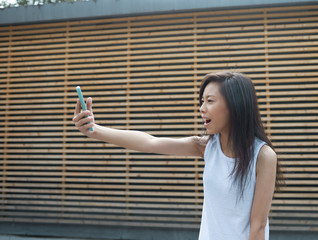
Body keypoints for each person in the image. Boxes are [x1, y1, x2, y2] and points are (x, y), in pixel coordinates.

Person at [73, 71, 281, 240]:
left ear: (235, 106)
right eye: (202, 101)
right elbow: (150, 142)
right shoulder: (206, 147)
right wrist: (95, 130)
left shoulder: (263, 156)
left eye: (209, 101)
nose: (202, 108)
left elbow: (258, 227)